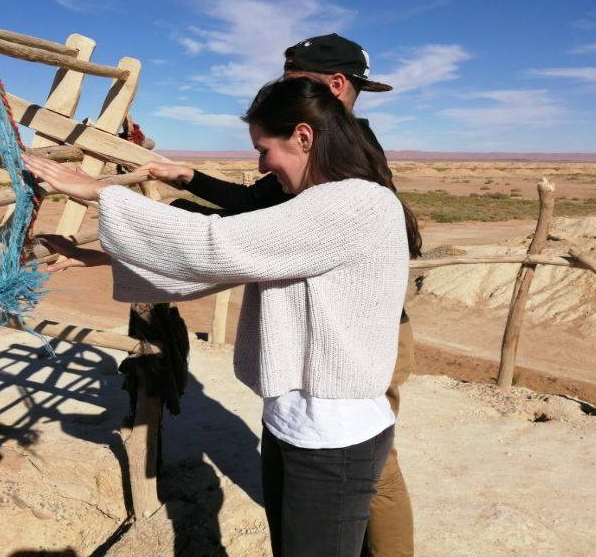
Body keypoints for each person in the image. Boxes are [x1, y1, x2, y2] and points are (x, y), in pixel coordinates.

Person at [23, 77, 420, 556]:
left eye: (263, 149)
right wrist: (101, 256)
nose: (261, 166)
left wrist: (99, 192)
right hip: (294, 423)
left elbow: (218, 243)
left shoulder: (354, 202)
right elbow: (226, 263)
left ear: (303, 137)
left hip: (333, 437)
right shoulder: (319, 205)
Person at [135, 33, 418, 556]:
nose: (283, 93)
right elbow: (257, 207)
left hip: (356, 331)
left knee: (371, 468)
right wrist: (188, 182)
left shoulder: (349, 166)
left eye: (295, 84)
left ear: (334, 86)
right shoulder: (328, 155)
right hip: (333, 331)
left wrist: (166, 216)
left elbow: (259, 226)